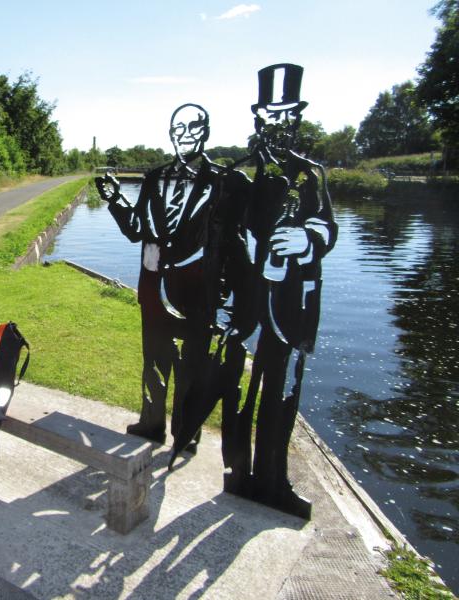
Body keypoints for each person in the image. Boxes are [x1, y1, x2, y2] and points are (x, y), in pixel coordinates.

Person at [224, 63, 337, 518]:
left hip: (291, 306)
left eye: (287, 115)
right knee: (239, 388)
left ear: (298, 118)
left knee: (283, 393)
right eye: (271, 115)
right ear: (258, 118)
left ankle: (275, 477)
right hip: (248, 301)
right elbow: (226, 235)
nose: (278, 124)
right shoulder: (241, 175)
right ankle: (239, 471)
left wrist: (308, 239)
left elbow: (328, 227)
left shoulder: (311, 175)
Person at [95, 104, 230, 450]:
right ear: (170, 134)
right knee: (153, 358)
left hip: (196, 288)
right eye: (178, 129)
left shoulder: (220, 181)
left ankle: (186, 432)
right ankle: (151, 422)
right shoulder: (154, 178)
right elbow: (138, 229)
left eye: (193, 128)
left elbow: (227, 240)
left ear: (206, 132)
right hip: (153, 285)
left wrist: (225, 294)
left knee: (191, 367)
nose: (184, 136)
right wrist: (116, 201)